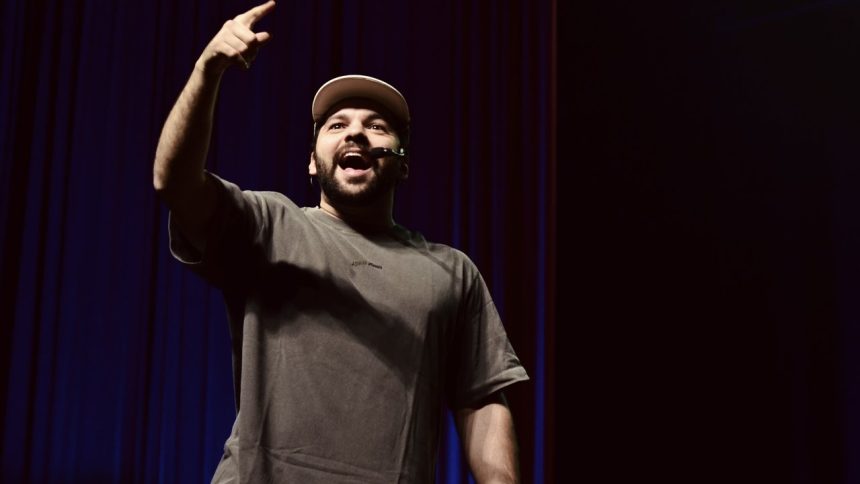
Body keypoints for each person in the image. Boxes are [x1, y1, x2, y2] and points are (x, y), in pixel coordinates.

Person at [152, 2, 529, 482]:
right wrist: (208, 71)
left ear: (403, 163)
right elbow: (175, 182)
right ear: (313, 162)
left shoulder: (451, 271)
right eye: (337, 124)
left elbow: (481, 398)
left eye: (377, 126)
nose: (356, 131)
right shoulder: (270, 224)